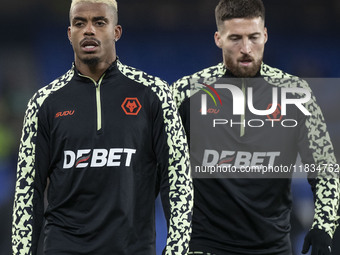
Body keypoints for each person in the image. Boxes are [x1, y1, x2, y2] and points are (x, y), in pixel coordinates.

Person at [12, 0, 193, 254]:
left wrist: (177, 249)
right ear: (69, 33)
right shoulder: (43, 103)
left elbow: (177, 179)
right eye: (79, 23)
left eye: (99, 22)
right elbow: (27, 192)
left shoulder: (154, 94)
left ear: (116, 31)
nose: (89, 30)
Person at [171, 0, 339, 254]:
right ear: (218, 38)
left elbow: (324, 167)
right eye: (235, 38)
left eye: (254, 37)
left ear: (266, 35)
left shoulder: (295, 92)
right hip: (205, 245)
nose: (246, 48)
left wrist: (324, 226)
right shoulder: (186, 92)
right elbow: (157, 169)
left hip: (273, 246)